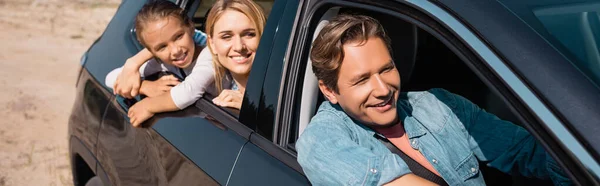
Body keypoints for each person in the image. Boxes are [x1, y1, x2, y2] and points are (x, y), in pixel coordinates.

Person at [296, 14, 572, 186]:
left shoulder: (440, 106)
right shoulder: (322, 139)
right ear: (329, 90)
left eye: (387, 69)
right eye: (361, 80)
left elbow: (531, 152)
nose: (383, 89)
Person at [110, 0, 266, 127]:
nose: (175, 50)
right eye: (162, 47)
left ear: (191, 27)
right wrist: (143, 83)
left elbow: (189, 92)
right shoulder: (163, 61)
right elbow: (112, 78)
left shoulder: (209, 55)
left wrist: (149, 105)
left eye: (178, 37)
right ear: (152, 51)